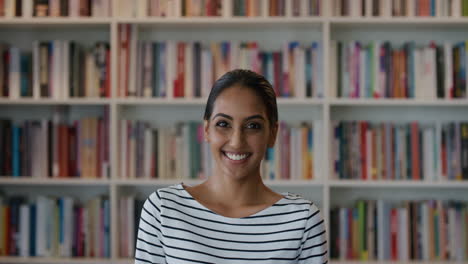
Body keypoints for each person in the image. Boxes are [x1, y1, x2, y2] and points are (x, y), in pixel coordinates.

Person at [135, 69, 328, 264]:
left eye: (253, 126)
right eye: (223, 124)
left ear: (272, 133)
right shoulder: (162, 209)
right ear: (207, 130)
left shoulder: (303, 221)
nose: (236, 142)